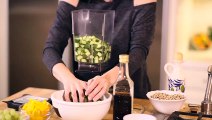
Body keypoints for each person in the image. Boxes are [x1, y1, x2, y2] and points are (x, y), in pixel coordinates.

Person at [43, 0, 157, 102]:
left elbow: (139, 51)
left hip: (129, 96)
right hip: (86, 98)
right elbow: (51, 49)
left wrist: (108, 79)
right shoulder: (73, 1)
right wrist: (68, 78)